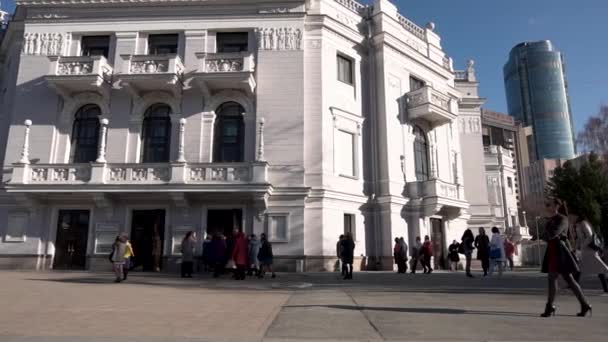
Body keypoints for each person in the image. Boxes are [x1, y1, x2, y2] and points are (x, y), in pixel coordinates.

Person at [540, 198, 591, 317]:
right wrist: (546, 234)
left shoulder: (562, 219)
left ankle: (550, 307)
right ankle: (584, 304)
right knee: (566, 279)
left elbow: (552, 233)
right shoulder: (551, 219)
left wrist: (546, 235)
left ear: (556, 206)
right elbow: (546, 235)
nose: (547, 207)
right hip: (553, 250)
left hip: (560, 251)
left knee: (557, 278)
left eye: (549, 205)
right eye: (546, 205)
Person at [572, 212, 608, 293]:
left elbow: (589, 236)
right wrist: (576, 248)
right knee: (580, 267)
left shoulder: (583, 223)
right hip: (584, 251)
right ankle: (573, 285)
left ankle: (573, 284)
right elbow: (579, 238)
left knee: (600, 268)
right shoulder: (577, 225)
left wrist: (582, 246)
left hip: (589, 250)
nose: (571, 217)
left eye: (572, 215)